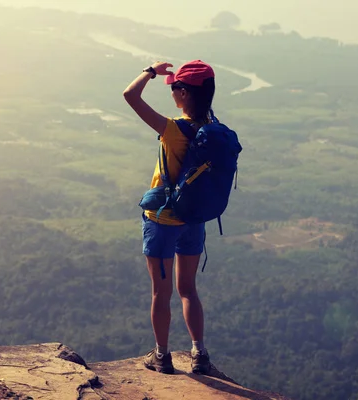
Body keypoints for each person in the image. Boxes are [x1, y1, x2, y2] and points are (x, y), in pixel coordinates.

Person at [123, 60, 215, 375]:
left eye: (175, 87)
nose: (172, 92)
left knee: (161, 293)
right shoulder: (212, 130)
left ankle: (161, 356)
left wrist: (150, 71)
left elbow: (130, 95)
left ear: (185, 93)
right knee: (188, 289)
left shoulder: (173, 129)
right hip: (194, 219)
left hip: (162, 220)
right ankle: (200, 354)